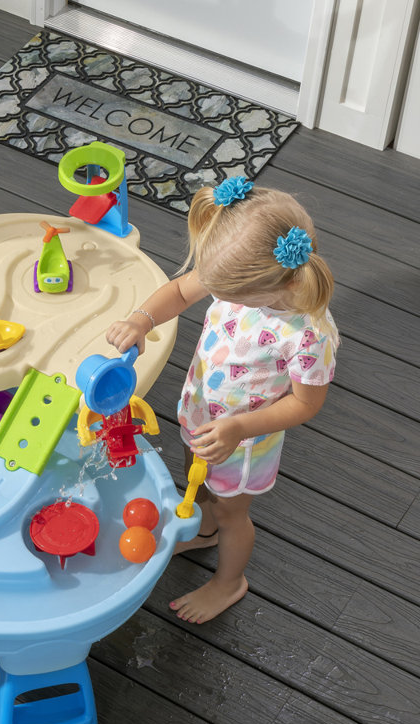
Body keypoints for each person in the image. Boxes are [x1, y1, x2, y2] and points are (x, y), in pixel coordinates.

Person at [106, 177, 339, 624]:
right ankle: (205, 529)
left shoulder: (308, 334)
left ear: (263, 291)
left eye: (224, 293)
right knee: (206, 485)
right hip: (206, 416)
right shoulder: (245, 272)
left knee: (234, 512)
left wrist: (238, 429)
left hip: (244, 442)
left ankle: (229, 581)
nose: (212, 292)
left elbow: (306, 405)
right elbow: (178, 291)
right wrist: (141, 319)